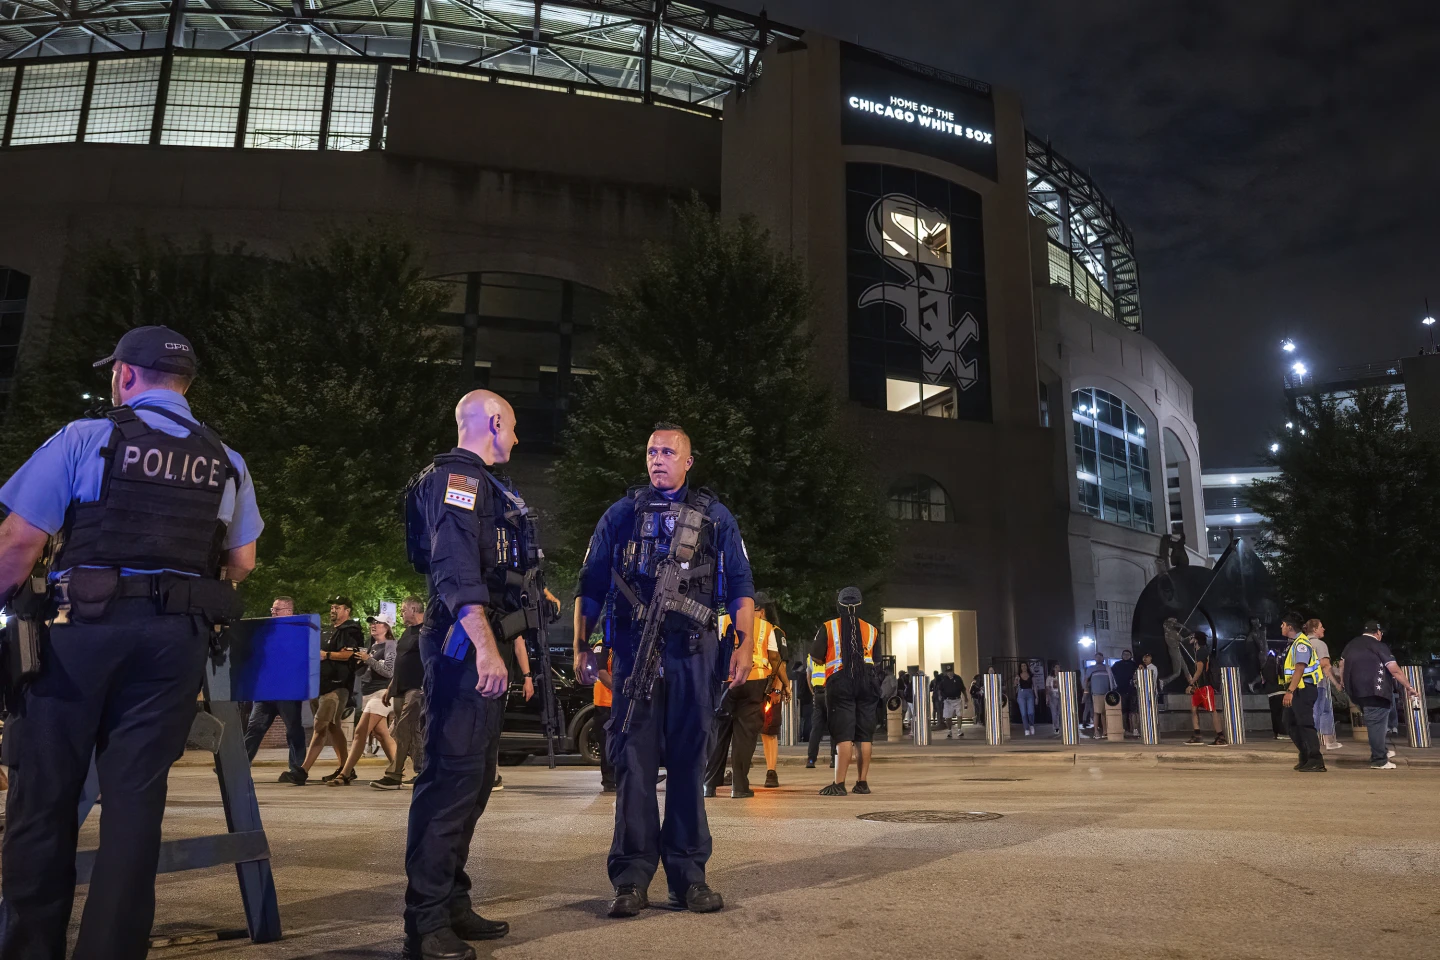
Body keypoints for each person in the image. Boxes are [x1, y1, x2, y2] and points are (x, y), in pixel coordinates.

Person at [0, 325, 262, 959]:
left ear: (124, 375)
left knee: (45, 795)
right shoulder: (226, 459)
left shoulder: (87, 438)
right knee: (136, 803)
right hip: (174, 643)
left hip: (81, 633)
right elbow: (243, 561)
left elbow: (16, 546)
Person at [573, 422, 755, 918]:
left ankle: (688, 876)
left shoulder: (715, 517)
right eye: (651, 451)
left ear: (688, 461)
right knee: (633, 764)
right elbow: (589, 587)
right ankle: (631, 878)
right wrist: (582, 646)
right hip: (634, 653)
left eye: (668, 452)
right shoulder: (620, 515)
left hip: (695, 653)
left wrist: (745, 645)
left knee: (688, 764)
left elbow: (740, 586)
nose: (657, 459)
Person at [401, 390, 547, 958]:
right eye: (511, 427)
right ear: (492, 421)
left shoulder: (484, 484)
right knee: (450, 781)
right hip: (464, 646)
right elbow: (456, 569)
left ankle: (452, 901)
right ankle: (427, 920)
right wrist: (487, 648)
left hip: (479, 639)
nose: (514, 437)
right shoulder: (459, 480)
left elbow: (489, 563)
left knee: (475, 782)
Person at [704, 595, 779, 798]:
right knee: (744, 736)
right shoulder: (765, 627)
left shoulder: (720, 621)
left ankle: (709, 784)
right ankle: (739, 786)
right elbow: (774, 657)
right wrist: (779, 686)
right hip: (754, 681)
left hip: (724, 681)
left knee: (718, 733)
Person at [812, 587, 881, 796]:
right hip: (868, 681)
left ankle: (839, 783)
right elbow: (876, 660)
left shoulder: (829, 627)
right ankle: (862, 783)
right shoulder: (872, 629)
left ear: (839, 604)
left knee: (843, 733)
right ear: (860, 605)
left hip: (840, 681)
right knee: (864, 734)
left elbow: (816, 656)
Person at [290, 596, 364, 784]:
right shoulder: (327, 631)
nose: (333, 610)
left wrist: (327, 654)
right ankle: (346, 768)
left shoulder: (351, 630)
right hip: (319, 685)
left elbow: (349, 654)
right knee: (332, 726)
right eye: (332, 606)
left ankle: (303, 771)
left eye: (337, 607)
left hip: (338, 686)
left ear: (347, 610)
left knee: (320, 725)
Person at [1337, 621, 1419, 770]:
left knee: (1376, 723)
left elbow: (1341, 665)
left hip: (1355, 692)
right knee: (1377, 725)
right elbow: (1394, 669)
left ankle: (1383, 751)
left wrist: (1342, 682)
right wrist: (1409, 687)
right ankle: (1379, 759)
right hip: (1376, 692)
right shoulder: (1379, 646)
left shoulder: (1351, 645)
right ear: (1378, 632)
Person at [244, 596, 309, 781]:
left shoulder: (297, 633)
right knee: (254, 727)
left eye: (277, 609)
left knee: (293, 730)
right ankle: (240, 765)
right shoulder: (266, 632)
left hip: (288, 691)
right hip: (265, 691)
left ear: (289, 612)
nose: (272, 612)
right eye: (272, 609)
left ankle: (297, 769)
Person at [331, 617, 399, 785]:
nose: (373, 626)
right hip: (368, 694)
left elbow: (389, 672)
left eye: (378, 623)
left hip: (382, 693)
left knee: (360, 732)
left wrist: (369, 659)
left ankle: (345, 773)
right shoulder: (372, 646)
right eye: (372, 623)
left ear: (387, 627)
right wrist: (359, 661)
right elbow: (364, 672)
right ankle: (398, 771)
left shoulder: (391, 645)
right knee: (382, 735)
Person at [374, 596, 427, 789]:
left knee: (404, 728)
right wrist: (391, 686)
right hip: (400, 688)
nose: (401, 613)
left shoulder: (427, 631)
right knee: (404, 731)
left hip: (417, 688)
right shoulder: (407, 632)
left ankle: (394, 775)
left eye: (404, 610)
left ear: (414, 609)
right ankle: (423, 771)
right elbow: (400, 661)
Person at [1279, 612, 1325, 772]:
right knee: (1289, 722)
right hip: (1297, 689)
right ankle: (1305, 755)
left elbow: (1300, 668)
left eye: (1283, 624)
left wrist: (1290, 691)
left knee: (1305, 724)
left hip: (1303, 690)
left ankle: (1316, 760)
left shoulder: (1301, 644)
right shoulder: (1293, 643)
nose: (1281, 627)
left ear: (1290, 627)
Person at [1304, 619, 1341, 751]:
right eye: (1321, 627)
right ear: (1314, 630)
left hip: (1304, 684)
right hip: (1318, 683)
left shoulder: (1301, 643)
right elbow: (1325, 665)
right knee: (1318, 712)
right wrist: (1336, 682)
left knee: (1325, 710)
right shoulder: (1320, 644)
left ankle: (1329, 741)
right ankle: (1313, 744)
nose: (1323, 629)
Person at [1184, 632, 1226, 745]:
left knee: (1212, 710)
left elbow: (1200, 670)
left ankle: (1221, 737)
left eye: (1192, 637)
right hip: (1199, 687)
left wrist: (1191, 683)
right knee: (1194, 709)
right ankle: (1197, 735)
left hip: (1205, 686)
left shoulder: (1202, 651)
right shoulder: (1199, 651)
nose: (1190, 638)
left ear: (1196, 640)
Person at [591, 639, 617, 793]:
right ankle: (609, 781)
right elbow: (601, 672)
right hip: (605, 704)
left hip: (618, 704)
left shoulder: (624, 643)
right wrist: (621, 691)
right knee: (607, 744)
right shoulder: (602, 646)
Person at [806, 652, 833, 768]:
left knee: (816, 728)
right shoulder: (832, 653)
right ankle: (835, 759)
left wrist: (813, 692)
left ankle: (811, 760)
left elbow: (808, 675)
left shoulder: (811, 657)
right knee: (834, 727)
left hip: (817, 693)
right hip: (831, 692)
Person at [1084, 657, 1114, 739]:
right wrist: (1085, 691)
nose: (1098, 659)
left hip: (1107, 693)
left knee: (1104, 713)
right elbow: (1086, 680)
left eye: (1100, 657)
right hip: (1096, 693)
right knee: (1096, 712)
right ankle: (1096, 731)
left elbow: (1111, 680)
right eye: (1097, 657)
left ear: (1103, 659)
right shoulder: (1091, 669)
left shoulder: (1107, 668)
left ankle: (1105, 731)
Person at [1110, 650, 1138, 738]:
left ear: (1131, 655)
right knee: (1123, 711)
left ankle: (1134, 729)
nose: (1126, 656)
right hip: (1121, 690)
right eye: (1124, 654)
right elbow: (1112, 675)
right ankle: (1124, 729)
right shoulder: (1117, 665)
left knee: (1133, 711)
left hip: (1132, 690)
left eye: (1128, 654)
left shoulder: (1134, 664)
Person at [1160, 616, 1195, 688]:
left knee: (1185, 668)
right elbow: (1183, 640)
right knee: (1177, 673)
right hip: (1175, 650)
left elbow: (1176, 625)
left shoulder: (1166, 630)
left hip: (1174, 650)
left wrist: (1183, 627)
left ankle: (1192, 683)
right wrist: (1190, 636)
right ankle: (1164, 681)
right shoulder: (1174, 633)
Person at [1262, 649, 1287, 740]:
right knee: (1282, 714)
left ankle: (1276, 732)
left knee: (1275, 714)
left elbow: (1265, 678)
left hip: (1271, 693)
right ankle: (1282, 732)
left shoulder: (1266, 666)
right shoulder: (1280, 663)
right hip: (1281, 691)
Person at [936, 664, 967, 738]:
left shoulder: (958, 678)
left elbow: (963, 688)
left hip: (957, 699)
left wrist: (965, 697)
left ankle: (959, 730)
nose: (949, 673)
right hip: (947, 700)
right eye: (948, 672)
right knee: (947, 717)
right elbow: (940, 689)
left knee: (959, 715)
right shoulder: (944, 679)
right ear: (946, 672)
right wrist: (940, 696)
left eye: (951, 671)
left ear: (953, 671)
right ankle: (949, 730)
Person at [1014, 663, 1037, 736]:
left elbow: (1035, 686)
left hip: (1030, 693)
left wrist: (1036, 696)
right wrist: (1016, 680)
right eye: (1022, 666)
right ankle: (1026, 729)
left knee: (1031, 712)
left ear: (1027, 667)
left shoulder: (1031, 675)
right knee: (1023, 713)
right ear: (1020, 668)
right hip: (1021, 693)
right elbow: (1014, 685)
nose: (1024, 667)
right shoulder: (1018, 676)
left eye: (1025, 666)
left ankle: (1031, 725)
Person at [1045, 660, 1065, 736]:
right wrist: (1047, 697)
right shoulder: (1049, 678)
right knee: (1054, 713)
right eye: (1056, 667)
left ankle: (1062, 727)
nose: (1057, 669)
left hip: (1061, 695)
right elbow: (1047, 688)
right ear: (1053, 668)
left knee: (1060, 712)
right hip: (1053, 695)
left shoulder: (1062, 676)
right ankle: (1056, 728)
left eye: (1058, 667)